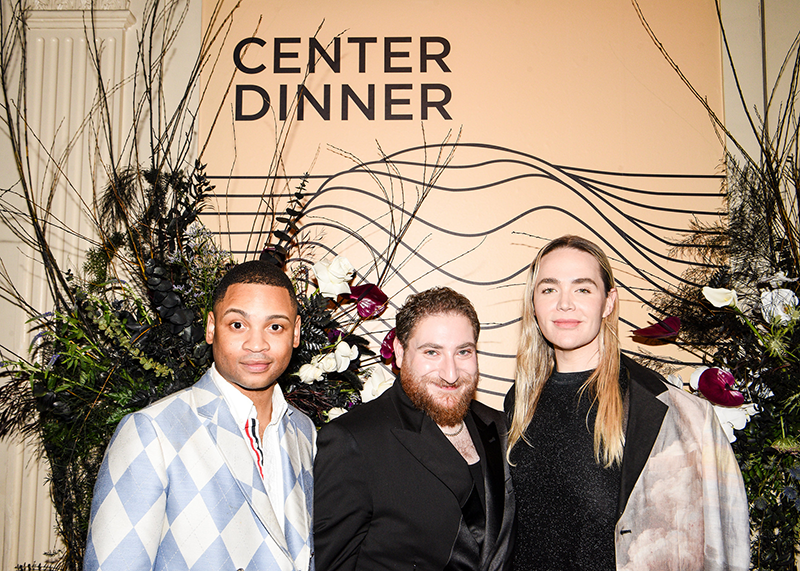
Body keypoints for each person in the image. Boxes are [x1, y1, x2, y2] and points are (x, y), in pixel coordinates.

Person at [505, 235, 750, 571]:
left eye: (583, 289)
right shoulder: (519, 403)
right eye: (549, 289)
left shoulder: (663, 410)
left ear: (608, 302)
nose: (564, 304)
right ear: (533, 303)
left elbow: (719, 543)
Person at [84, 260, 315, 571]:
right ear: (210, 328)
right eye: (237, 325)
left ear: (296, 333)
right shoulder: (153, 431)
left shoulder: (303, 431)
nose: (257, 344)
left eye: (275, 327)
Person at [314, 287, 515, 571]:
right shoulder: (352, 440)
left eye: (463, 352)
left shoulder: (501, 427)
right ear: (399, 351)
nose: (451, 374)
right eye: (432, 352)